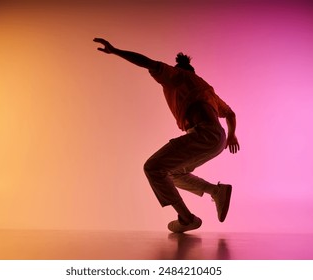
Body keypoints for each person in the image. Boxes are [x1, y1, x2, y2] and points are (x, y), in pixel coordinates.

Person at [94, 38, 240, 233]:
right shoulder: (206, 89)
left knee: (153, 168)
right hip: (217, 139)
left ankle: (186, 218)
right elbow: (230, 114)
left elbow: (146, 62)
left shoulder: (176, 75)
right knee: (173, 174)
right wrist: (231, 136)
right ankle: (215, 191)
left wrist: (116, 51)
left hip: (203, 133)